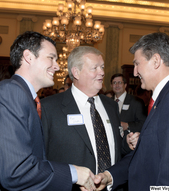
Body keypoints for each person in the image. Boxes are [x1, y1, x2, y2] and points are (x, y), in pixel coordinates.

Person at [0, 31, 96, 191]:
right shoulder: (9, 94)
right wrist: (74, 173)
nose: (57, 66)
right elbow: (15, 171)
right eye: (51, 58)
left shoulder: (23, 96)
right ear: (29, 57)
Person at [94, 32, 169, 190]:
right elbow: (148, 156)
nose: (135, 72)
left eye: (137, 64)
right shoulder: (168, 97)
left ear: (156, 61)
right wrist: (110, 176)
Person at [41, 46, 128, 190]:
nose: (102, 72)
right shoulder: (49, 108)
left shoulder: (111, 106)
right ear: (76, 72)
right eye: (95, 68)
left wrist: (127, 143)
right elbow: (41, 161)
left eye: (102, 67)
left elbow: (116, 148)